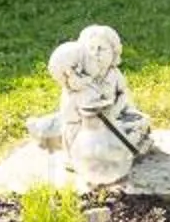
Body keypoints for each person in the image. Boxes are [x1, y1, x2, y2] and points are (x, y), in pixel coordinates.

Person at [52, 22, 152, 181]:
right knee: (104, 142)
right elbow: (73, 114)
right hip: (86, 128)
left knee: (140, 122)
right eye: (91, 49)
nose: (96, 53)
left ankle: (127, 148)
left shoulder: (114, 74)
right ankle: (106, 156)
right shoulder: (79, 82)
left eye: (102, 49)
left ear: (114, 52)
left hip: (112, 119)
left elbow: (123, 95)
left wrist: (116, 112)